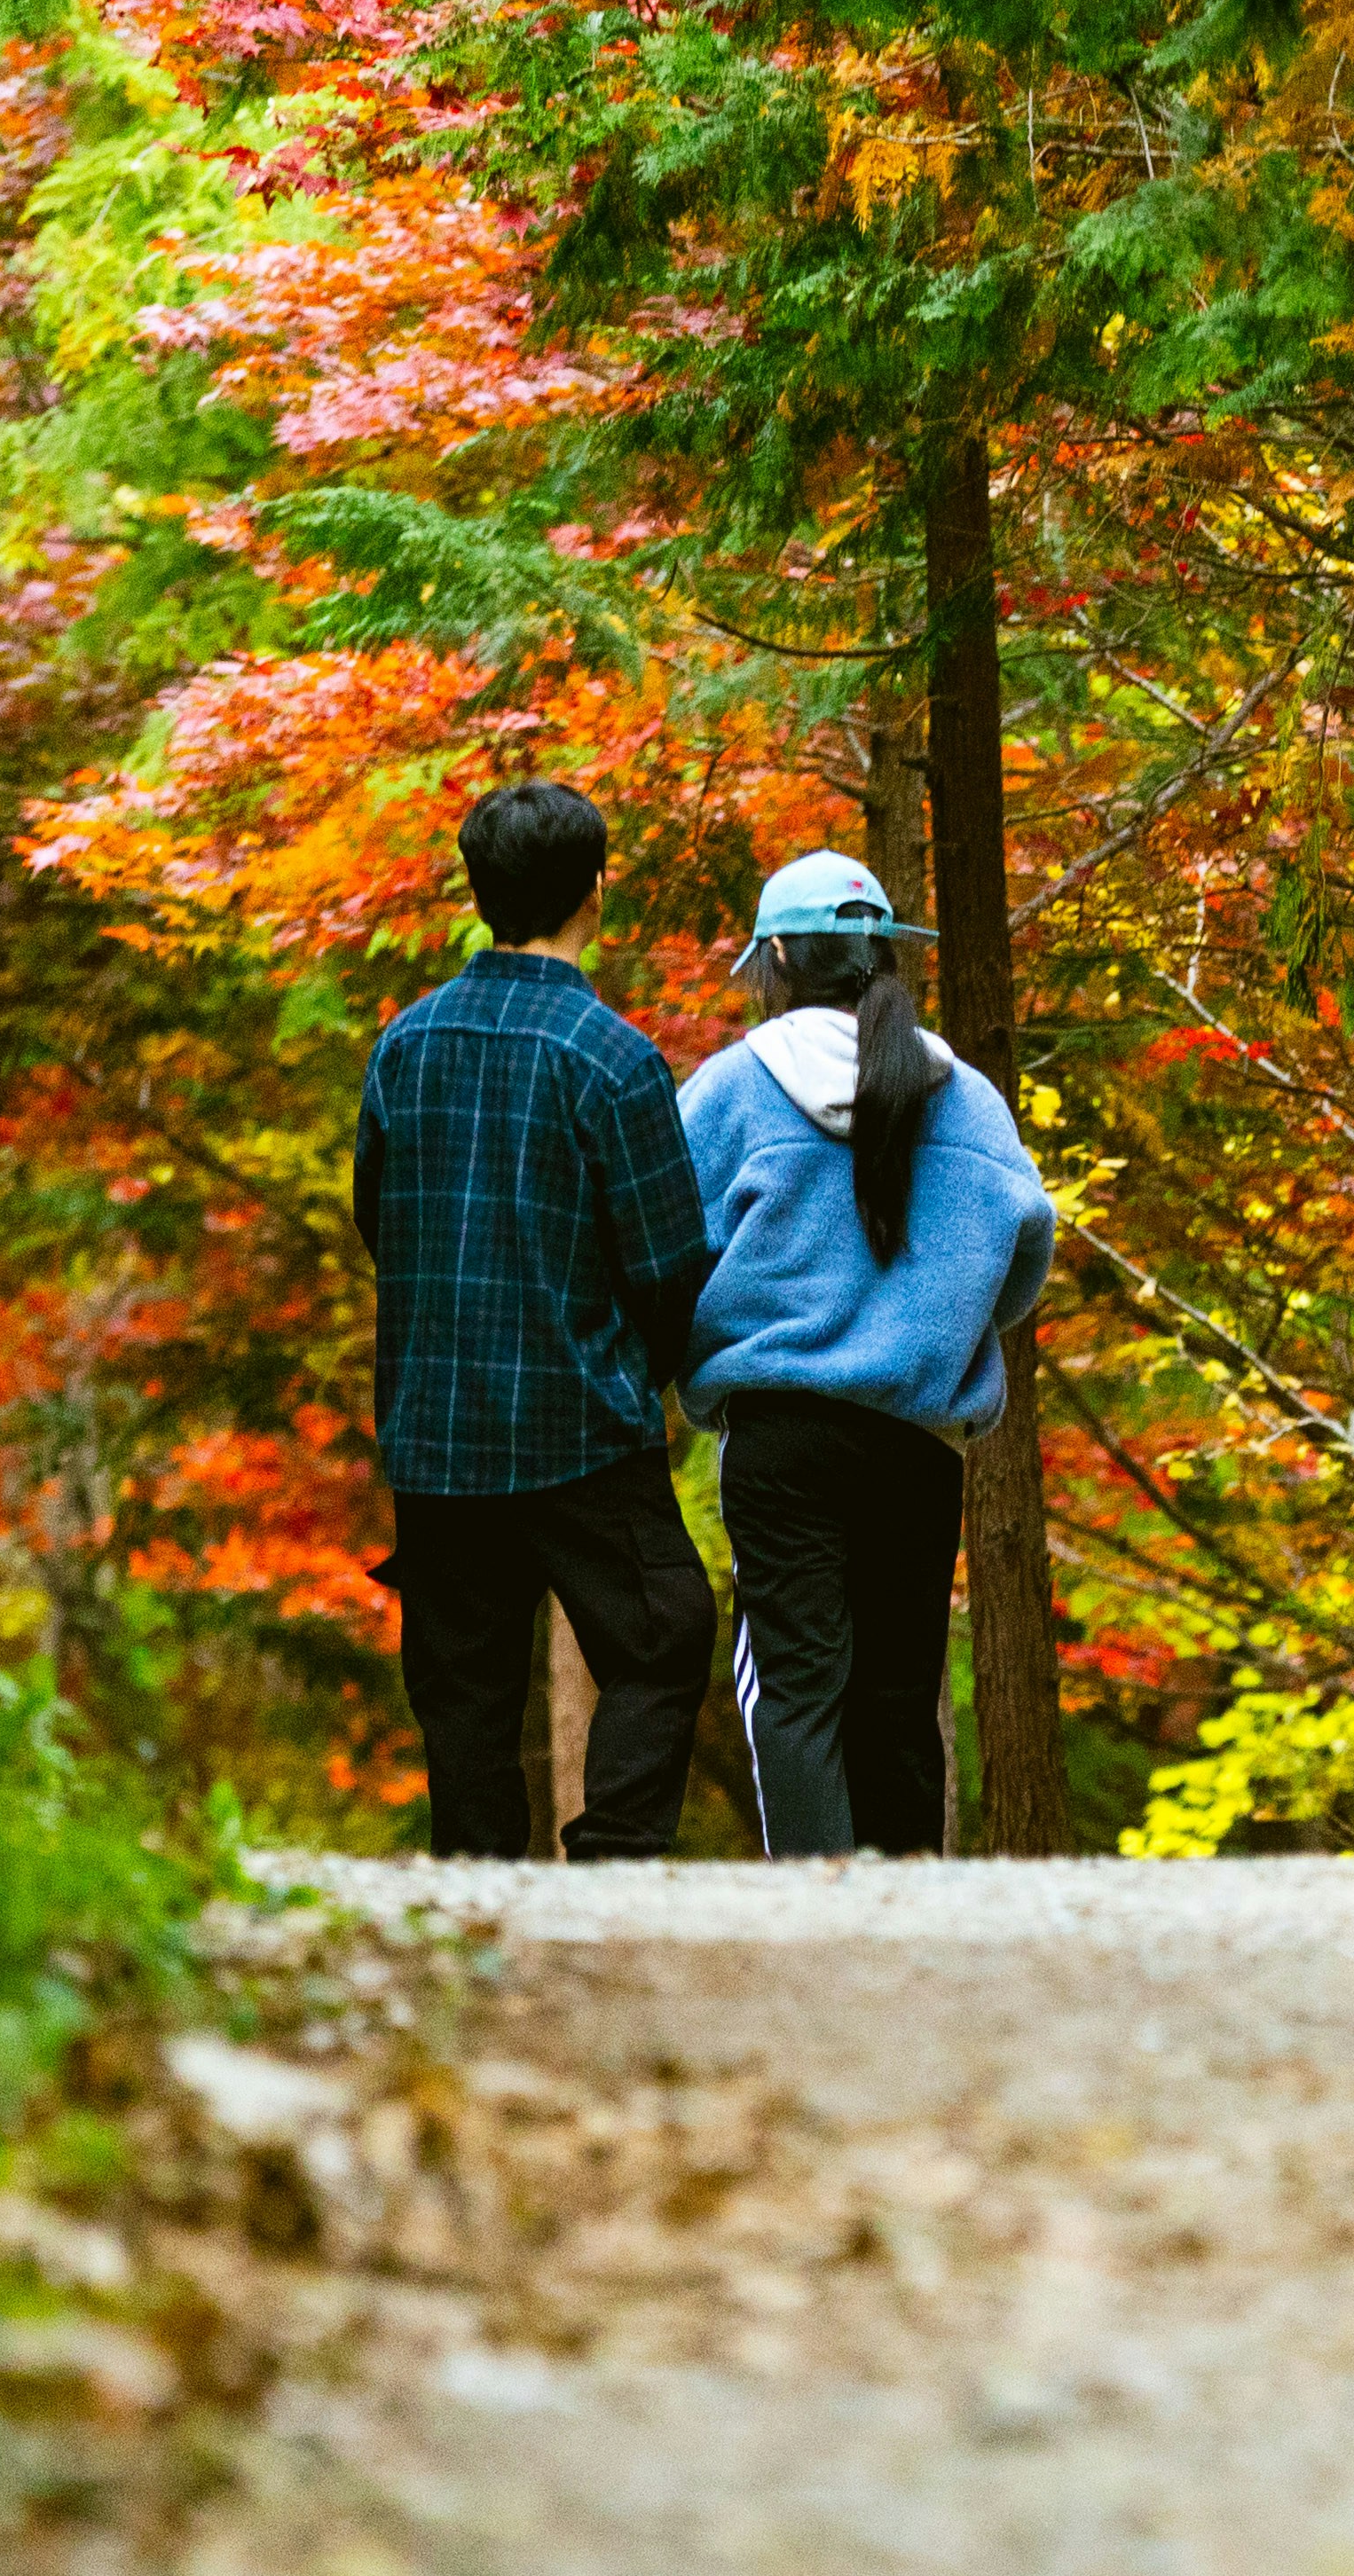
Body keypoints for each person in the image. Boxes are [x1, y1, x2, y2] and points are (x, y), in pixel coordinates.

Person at [355, 782, 719, 1860]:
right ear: (595, 891)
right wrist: (632, 1371)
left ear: (479, 895)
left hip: (437, 1430)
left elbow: (379, 1218)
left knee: (464, 1688)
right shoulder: (612, 1059)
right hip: (579, 1425)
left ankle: (479, 1890)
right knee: (664, 1635)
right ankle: (609, 1861)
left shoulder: (404, 1047)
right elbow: (669, 1266)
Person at [676, 849, 1059, 1860]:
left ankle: (817, 1923)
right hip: (917, 1440)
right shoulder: (965, 1097)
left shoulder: (729, 1089)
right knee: (899, 1693)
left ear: (777, 961)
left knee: (796, 1692)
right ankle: (906, 1922)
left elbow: (664, 1243)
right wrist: (945, 1321)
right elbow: (1025, 1245)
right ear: (882, 955)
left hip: (783, 1432)